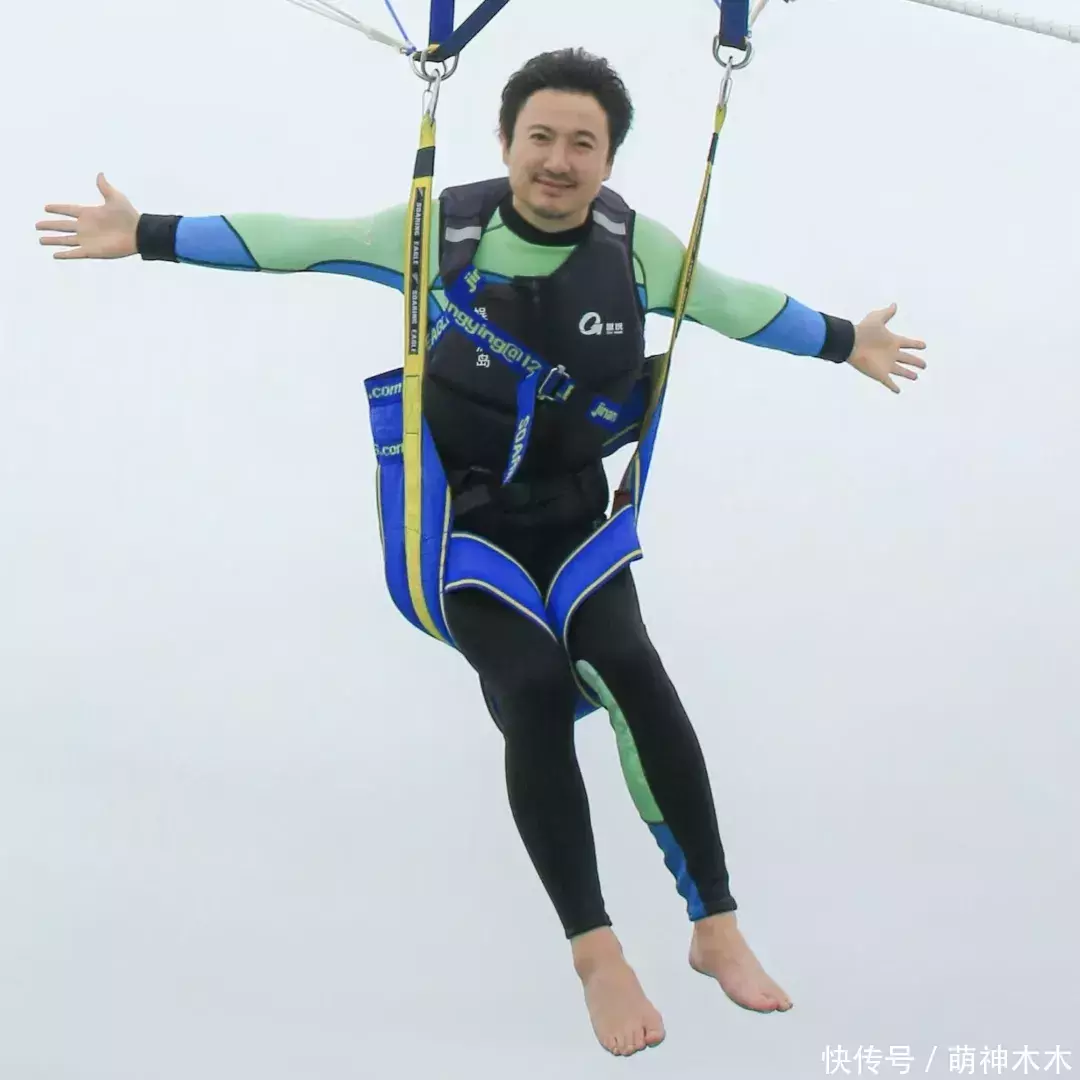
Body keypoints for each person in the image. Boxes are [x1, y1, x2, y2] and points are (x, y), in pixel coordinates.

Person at [36, 46, 927, 1058]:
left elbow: (737, 303)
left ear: (609, 160)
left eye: (583, 144)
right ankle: (596, 952)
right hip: (462, 532)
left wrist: (845, 339)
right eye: (540, 136)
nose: (558, 160)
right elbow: (297, 241)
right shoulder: (435, 234)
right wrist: (147, 233)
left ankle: (714, 925)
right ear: (506, 142)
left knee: (633, 668)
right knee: (534, 690)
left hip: (578, 524)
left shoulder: (636, 251)